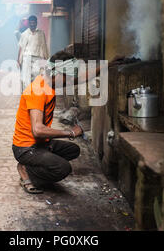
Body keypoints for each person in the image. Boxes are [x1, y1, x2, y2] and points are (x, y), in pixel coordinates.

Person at [12, 51, 122, 194]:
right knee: (63, 168)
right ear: (57, 73)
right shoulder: (37, 91)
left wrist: (108, 64)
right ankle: (27, 171)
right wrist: (70, 132)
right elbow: (37, 130)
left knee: (73, 150)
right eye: (67, 77)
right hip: (26, 148)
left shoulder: (50, 81)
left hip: (40, 143)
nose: (70, 81)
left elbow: (81, 78)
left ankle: (41, 159)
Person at [17, 15, 49, 91]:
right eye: (30, 23)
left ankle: (34, 96)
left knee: (37, 77)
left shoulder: (41, 33)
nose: (32, 24)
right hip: (26, 58)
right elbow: (21, 47)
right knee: (26, 79)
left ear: (36, 23)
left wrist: (46, 58)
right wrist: (18, 60)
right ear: (28, 23)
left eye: (33, 22)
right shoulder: (24, 34)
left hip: (37, 58)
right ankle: (26, 95)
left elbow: (44, 46)